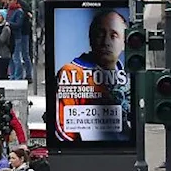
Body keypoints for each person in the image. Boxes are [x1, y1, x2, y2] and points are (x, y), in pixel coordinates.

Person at [54, 8, 130, 143]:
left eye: (114, 35)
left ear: (124, 43)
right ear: (91, 38)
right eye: (101, 34)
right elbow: (63, 130)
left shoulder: (128, 76)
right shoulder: (72, 72)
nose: (106, 42)